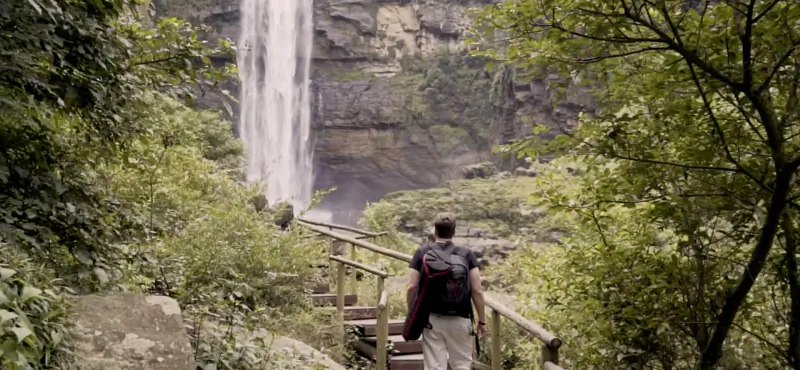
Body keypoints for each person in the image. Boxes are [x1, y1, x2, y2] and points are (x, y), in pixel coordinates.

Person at [406, 212, 486, 370]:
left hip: (432, 319)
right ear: (454, 231)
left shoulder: (422, 253)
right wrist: (481, 320)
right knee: (462, 365)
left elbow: (411, 287)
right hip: (461, 318)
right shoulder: (466, 254)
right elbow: (477, 290)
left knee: (435, 366)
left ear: (435, 230)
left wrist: (413, 312)